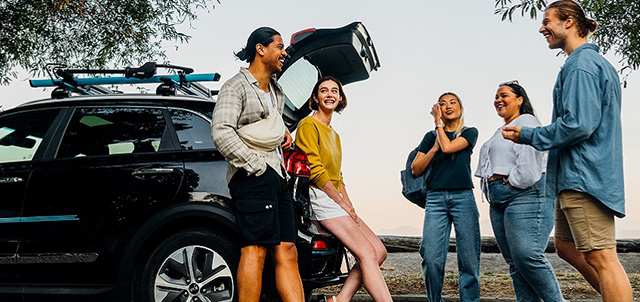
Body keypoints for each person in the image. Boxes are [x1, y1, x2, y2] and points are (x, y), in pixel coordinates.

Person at [502, 1, 633, 301]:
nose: (541, 27)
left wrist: (529, 135)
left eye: (547, 21)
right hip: (577, 176)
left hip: (584, 176)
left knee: (603, 258)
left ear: (570, 22)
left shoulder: (581, 66)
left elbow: (579, 124)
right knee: (567, 248)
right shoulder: (593, 65)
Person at [211, 27, 303, 302]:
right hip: (252, 175)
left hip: (277, 175)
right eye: (279, 46)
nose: (284, 53)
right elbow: (221, 131)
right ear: (260, 49)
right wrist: (254, 165)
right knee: (255, 249)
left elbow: (269, 127)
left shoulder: (277, 91)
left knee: (287, 250)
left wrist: (283, 136)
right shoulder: (236, 86)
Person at [295, 76, 392, 302]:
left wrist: (349, 207)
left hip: (334, 196)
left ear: (340, 98)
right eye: (323, 91)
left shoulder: (334, 135)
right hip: (319, 195)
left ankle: (339, 300)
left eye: (334, 91)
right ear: (315, 98)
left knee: (378, 252)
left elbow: (338, 176)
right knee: (366, 253)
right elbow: (316, 172)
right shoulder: (308, 125)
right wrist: (340, 202)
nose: (329, 94)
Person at [475, 81, 565, 302]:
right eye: (496, 96)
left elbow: (529, 165)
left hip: (523, 194)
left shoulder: (527, 122)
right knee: (515, 263)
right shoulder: (501, 129)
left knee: (527, 256)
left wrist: (511, 184)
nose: (498, 100)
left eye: (504, 95)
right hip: (499, 198)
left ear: (519, 99)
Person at [411, 92, 480, 302]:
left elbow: (449, 148)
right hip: (435, 200)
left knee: (469, 259)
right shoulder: (431, 137)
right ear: (437, 109)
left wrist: (438, 125)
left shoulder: (469, 133)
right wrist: (433, 146)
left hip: (463, 198)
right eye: (443, 103)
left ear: (460, 108)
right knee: (431, 258)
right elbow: (416, 169)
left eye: (453, 102)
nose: (448, 106)